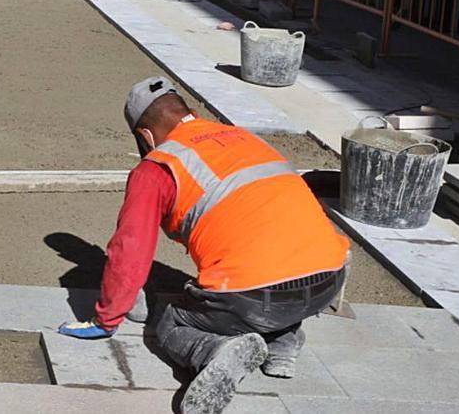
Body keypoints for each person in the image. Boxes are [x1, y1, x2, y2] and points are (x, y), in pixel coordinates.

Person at [58, 77, 349, 414]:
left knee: (172, 321)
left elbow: (131, 248)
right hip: (329, 280)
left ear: (145, 136)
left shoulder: (158, 167)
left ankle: (215, 351)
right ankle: (283, 341)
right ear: (191, 114)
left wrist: (106, 319)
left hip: (257, 297)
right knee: (272, 273)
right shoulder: (241, 136)